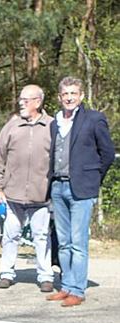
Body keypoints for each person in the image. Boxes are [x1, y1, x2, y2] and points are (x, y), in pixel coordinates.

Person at [46, 77, 115, 307]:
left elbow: (107, 154)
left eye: (74, 93)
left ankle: (78, 289)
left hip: (81, 189)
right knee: (63, 242)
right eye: (65, 94)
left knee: (78, 242)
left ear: (81, 96)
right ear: (59, 97)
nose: (69, 97)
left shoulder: (94, 119)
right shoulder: (54, 123)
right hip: (58, 186)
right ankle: (66, 285)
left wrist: (93, 179)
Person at [0, 84, 55, 292]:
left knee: (42, 237)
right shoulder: (11, 126)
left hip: (41, 196)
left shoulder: (52, 126)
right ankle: (7, 273)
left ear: (38, 102)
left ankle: (45, 276)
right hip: (12, 194)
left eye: (26, 100)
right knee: (10, 235)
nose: (21, 103)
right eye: (20, 99)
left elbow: (59, 161)